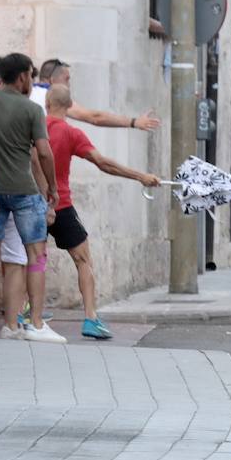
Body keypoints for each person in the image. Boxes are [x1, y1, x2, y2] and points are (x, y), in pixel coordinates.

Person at [43, 85, 161, 340]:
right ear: (69, 104)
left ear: (47, 103)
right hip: (61, 205)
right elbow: (103, 163)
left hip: (32, 204)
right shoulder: (72, 133)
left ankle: (24, 315)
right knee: (83, 260)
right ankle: (91, 318)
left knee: (30, 260)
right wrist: (140, 176)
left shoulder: (35, 127)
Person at [0, 53, 64, 343]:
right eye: (31, 77)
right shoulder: (31, 109)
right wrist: (53, 188)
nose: (32, 82)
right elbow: (43, 152)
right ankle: (27, 324)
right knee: (33, 256)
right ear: (22, 77)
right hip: (24, 191)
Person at [33, 59, 160, 131]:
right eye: (67, 79)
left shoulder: (29, 94)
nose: (69, 86)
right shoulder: (54, 97)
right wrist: (134, 122)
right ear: (52, 80)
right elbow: (94, 117)